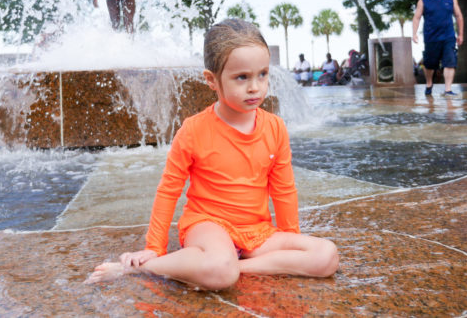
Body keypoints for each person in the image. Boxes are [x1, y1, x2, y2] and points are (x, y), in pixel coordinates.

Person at [86, 19, 339, 289]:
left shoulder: (275, 128)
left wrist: (290, 241)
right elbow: (169, 189)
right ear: (212, 80)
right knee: (220, 269)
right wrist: (154, 247)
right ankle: (141, 269)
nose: (255, 87)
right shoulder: (194, 130)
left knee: (326, 256)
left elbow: (284, 189)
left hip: (257, 231)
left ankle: (231, 267)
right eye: (242, 77)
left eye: (262, 74)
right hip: (208, 226)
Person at [412, 0, 464, 97]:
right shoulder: (423, 0)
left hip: (448, 37)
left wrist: (460, 34)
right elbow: (417, 17)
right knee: (429, 65)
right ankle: (429, 83)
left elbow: (459, 16)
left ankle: (448, 89)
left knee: (450, 63)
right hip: (431, 38)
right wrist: (414, 33)